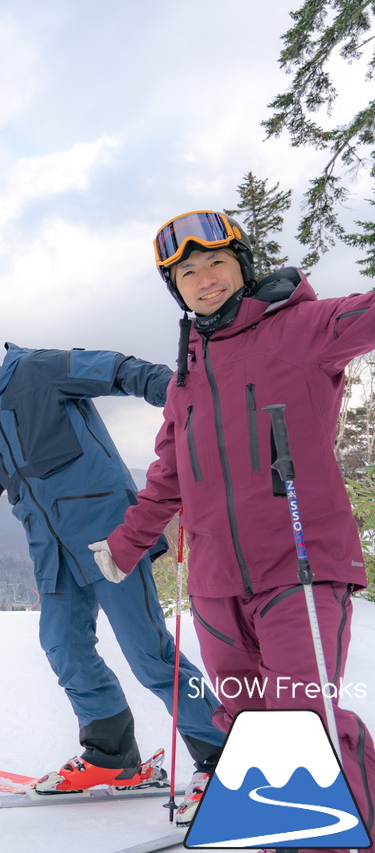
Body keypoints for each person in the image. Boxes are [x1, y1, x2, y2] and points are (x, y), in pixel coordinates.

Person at [95, 209, 375, 842]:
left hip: (299, 564)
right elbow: (170, 472)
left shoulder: (302, 327)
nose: (204, 279)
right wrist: (125, 545)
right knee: (248, 721)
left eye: (216, 262)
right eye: (187, 272)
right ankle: (279, 829)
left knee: (306, 718)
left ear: (242, 267)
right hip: (217, 584)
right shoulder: (187, 373)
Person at [0, 340, 224, 823]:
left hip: (109, 539)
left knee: (148, 654)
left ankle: (223, 755)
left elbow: (117, 370)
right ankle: (112, 757)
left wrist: (189, 395)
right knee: (63, 647)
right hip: (52, 558)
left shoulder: (37, 369)